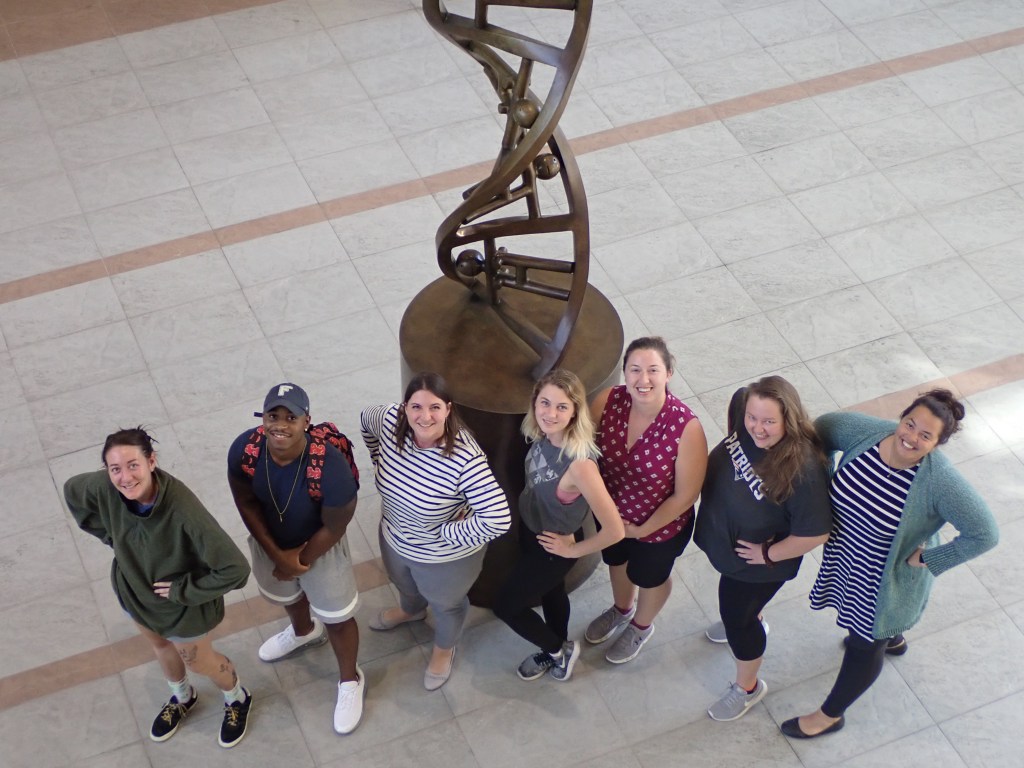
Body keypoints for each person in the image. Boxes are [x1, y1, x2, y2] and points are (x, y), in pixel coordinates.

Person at [784, 389, 999, 738]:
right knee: (867, 626)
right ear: (901, 418)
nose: (911, 437)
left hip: (888, 577)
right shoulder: (867, 433)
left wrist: (932, 558)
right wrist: (816, 477)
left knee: (865, 643)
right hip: (848, 556)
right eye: (909, 423)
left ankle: (830, 715)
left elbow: (985, 532)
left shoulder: (939, 481)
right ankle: (894, 639)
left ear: (937, 444)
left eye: (925, 435)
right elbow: (821, 428)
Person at [65, 427, 252, 748]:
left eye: (133, 465)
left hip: (182, 611)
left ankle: (237, 697)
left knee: (199, 661)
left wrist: (183, 591)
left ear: (151, 461)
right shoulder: (107, 488)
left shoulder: (183, 511)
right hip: (134, 594)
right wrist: (111, 536)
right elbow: (72, 490)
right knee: (160, 647)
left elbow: (236, 570)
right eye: (115, 469)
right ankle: (183, 696)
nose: (125, 477)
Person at [227, 383, 363, 735]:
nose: (281, 424)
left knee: (337, 615)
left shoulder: (330, 466)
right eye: (273, 415)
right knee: (288, 595)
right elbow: (245, 502)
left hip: (320, 545)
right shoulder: (245, 450)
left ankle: (350, 679)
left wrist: (298, 559)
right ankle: (303, 631)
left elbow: (337, 524)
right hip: (269, 541)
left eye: (291, 417)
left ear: (307, 421)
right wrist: (276, 555)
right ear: (263, 418)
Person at [361, 372, 511, 690]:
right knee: (403, 581)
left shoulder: (465, 460)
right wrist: (378, 459)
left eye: (434, 408)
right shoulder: (389, 421)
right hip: (394, 535)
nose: (424, 416)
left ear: (448, 410)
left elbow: (498, 518)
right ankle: (411, 611)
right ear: (404, 408)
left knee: (447, 605)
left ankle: (444, 649)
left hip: (444, 557)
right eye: (416, 407)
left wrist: (445, 533)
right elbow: (365, 419)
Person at [694, 376, 832, 721]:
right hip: (727, 548)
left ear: (790, 418)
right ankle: (750, 614)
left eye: (769, 421)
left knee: (737, 620)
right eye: (753, 418)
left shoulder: (803, 468)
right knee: (739, 610)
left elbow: (816, 533)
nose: (758, 428)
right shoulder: (743, 403)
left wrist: (768, 555)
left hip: (757, 567)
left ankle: (747, 688)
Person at [493, 369, 625, 682]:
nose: (551, 413)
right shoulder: (543, 435)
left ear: (575, 411)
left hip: (554, 546)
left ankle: (557, 650)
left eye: (562, 407)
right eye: (545, 403)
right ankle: (557, 647)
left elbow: (615, 530)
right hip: (533, 529)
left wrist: (573, 549)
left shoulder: (580, 466)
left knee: (506, 606)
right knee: (553, 594)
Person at [584, 336, 708, 663]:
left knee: (650, 576)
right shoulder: (609, 400)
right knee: (616, 561)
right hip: (611, 514)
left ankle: (641, 625)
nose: (644, 379)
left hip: (659, 525)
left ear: (668, 373)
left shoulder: (686, 427)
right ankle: (622, 609)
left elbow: (685, 496)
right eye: (635, 370)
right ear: (624, 372)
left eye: (653, 370)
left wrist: (641, 530)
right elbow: (584, 448)